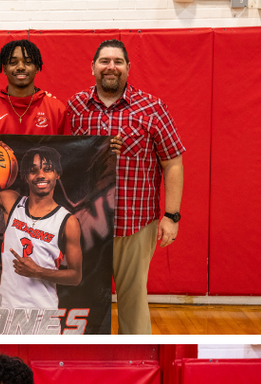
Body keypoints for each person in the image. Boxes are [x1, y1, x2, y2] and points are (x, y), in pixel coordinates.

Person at [67, 39, 184, 334]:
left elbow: (173, 163)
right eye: (104, 61)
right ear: (92, 67)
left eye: (118, 62)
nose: (111, 67)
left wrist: (171, 216)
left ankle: (135, 359)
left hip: (135, 223)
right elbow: (62, 159)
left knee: (132, 300)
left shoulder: (152, 108)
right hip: (87, 224)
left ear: (128, 69)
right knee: (86, 301)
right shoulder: (75, 108)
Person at [0, 144, 83, 312]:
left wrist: (39, 272)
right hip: (4, 311)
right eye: (33, 171)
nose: (41, 175)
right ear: (25, 176)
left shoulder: (67, 221)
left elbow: (75, 276)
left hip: (42, 313)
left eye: (47, 169)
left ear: (57, 174)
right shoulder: (11, 202)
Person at [0, 39, 68, 135]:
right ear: (4, 69)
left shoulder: (56, 110)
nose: (21, 67)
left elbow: (66, 150)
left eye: (28, 62)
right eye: (13, 62)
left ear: (37, 68)